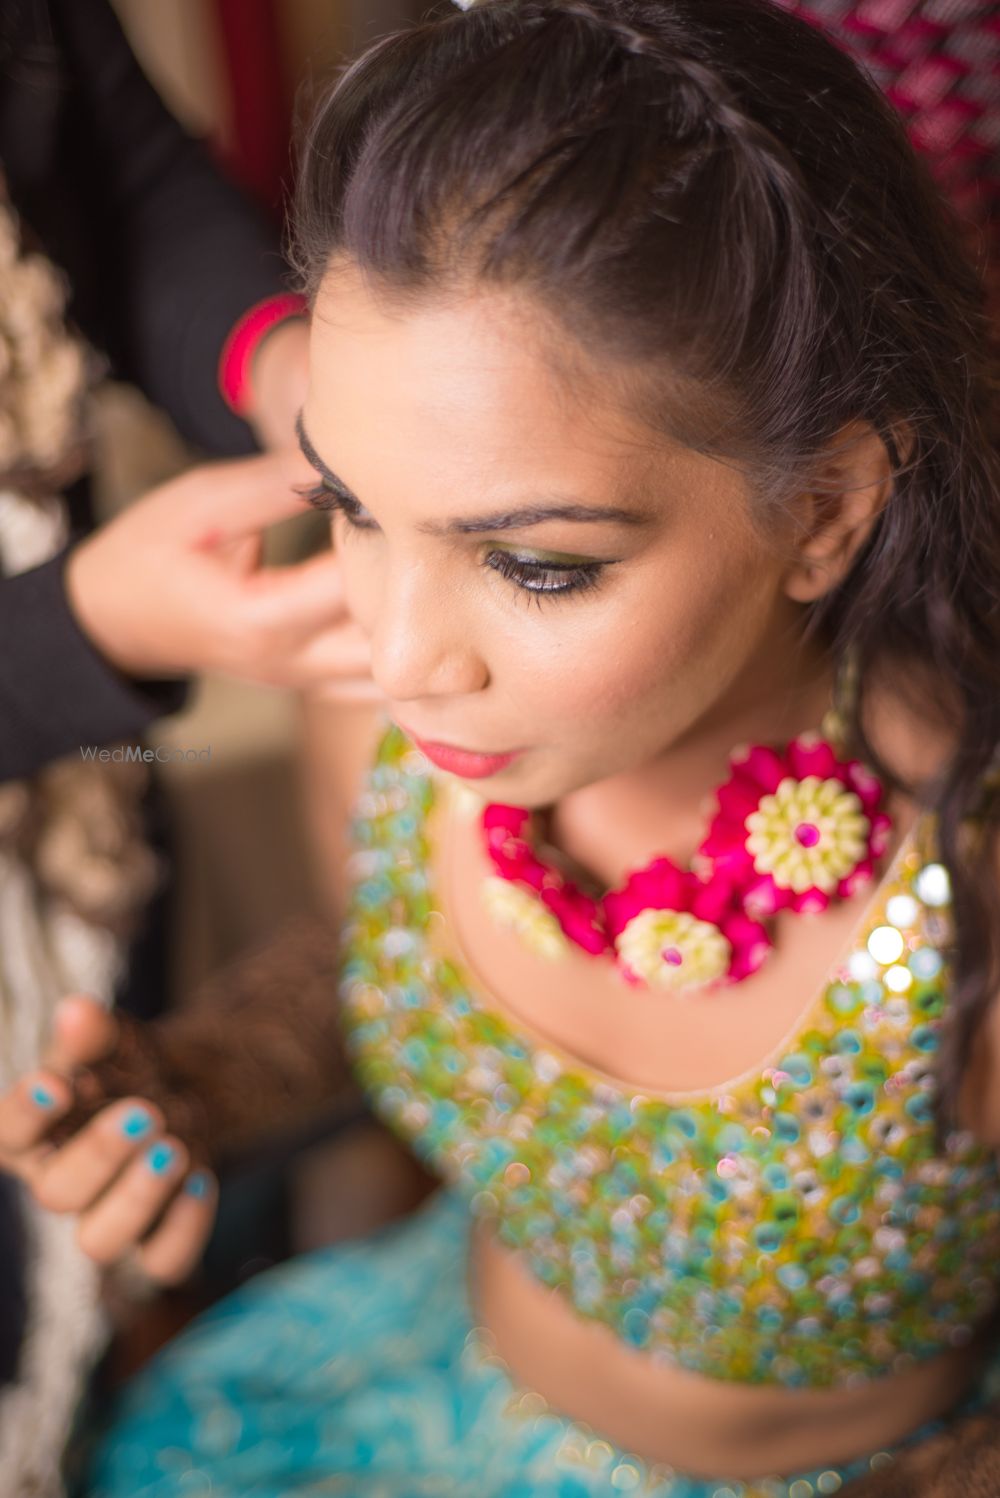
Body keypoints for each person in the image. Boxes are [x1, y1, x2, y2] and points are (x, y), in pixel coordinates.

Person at [69, 0, 1000, 1492]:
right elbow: (382, 967)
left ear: (821, 511)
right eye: (356, 508)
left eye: (540, 565)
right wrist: (196, 1085)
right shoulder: (389, 717)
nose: (397, 649)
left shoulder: (967, 875)